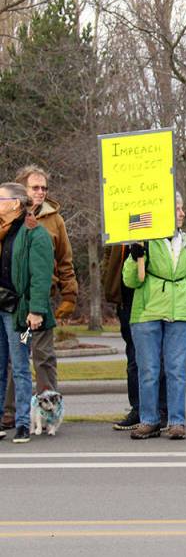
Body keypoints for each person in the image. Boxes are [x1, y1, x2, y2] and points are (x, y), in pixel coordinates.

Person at [122, 192, 186, 440]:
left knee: (177, 370)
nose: (182, 213)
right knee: (149, 369)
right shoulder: (146, 240)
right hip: (147, 312)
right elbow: (131, 281)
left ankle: (177, 421)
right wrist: (134, 257)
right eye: (177, 209)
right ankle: (149, 420)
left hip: (178, 313)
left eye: (182, 208)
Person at [1, 166, 76, 430]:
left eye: (44, 187)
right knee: (15, 357)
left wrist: (69, 295)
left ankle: (49, 409)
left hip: (41, 304)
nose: (41, 192)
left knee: (43, 356)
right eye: (35, 187)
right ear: (22, 191)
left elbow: (65, 260)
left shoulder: (54, 220)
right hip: (16, 307)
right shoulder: (7, 222)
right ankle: (12, 411)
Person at [0, 182, 55, 444]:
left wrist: (36, 310)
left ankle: (23, 422)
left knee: (20, 366)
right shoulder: (2, 231)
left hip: (19, 313)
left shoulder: (35, 233)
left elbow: (41, 276)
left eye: (0, 199)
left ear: (15, 203)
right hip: (0, 307)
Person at [102, 244, 167, 430]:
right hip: (127, 302)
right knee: (133, 359)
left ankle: (162, 409)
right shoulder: (120, 235)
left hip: (153, 300)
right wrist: (109, 280)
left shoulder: (157, 233)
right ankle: (138, 409)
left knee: (157, 358)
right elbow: (109, 257)